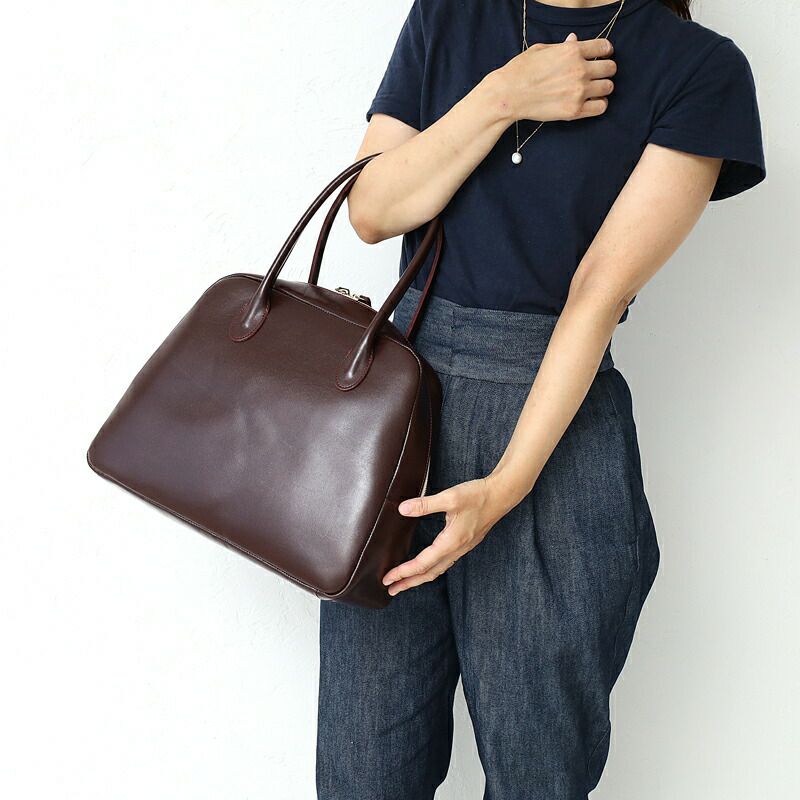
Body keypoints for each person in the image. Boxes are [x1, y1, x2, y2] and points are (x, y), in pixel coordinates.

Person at [316, 1, 766, 798]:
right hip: (397, 427)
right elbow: (373, 212)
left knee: (539, 776)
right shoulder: (449, 16)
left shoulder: (699, 68)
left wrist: (505, 486)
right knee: (364, 774)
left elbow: (597, 293)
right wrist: (501, 97)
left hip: (553, 440)